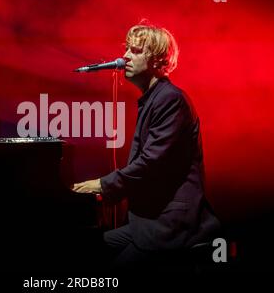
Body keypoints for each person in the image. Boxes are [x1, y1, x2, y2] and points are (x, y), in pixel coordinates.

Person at [72, 23, 221, 268]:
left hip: (171, 226)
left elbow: (151, 162)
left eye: (135, 50)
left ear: (157, 60)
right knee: (89, 246)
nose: (125, 57)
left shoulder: (170, 99)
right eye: (127, 50)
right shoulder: (155, 99)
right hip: (150, 223)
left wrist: (101, 184)